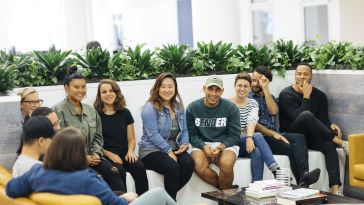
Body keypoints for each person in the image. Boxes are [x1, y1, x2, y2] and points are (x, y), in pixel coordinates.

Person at [6, 127, 177, 205]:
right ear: (79, 153)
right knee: (159, 194)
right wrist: (127, 197)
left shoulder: (36, 172)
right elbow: (115, 203)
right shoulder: (87, 179)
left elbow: (11, 189)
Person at [52, 66, 126, 192]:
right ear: (66, 88)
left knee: (115, 172)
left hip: (94, 158)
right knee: (94, 180)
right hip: (72, 162)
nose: (81, 90)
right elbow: (59, 143)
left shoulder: (91, 110)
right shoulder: (58, 110)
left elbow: (98, 136)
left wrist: (96, 153)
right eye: (76, 87)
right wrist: (82, 158)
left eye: (83, 87)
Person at [279, 63, 348, 194]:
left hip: (311, 135)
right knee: (306, 115)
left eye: (306, 74)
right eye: (299, 74)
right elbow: (298, 117)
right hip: (293, 134)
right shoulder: (286, 94)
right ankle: (340, 143)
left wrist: (330, 126)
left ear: (311, 76)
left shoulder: (320, 96)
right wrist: (306, 95)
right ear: (295, 75)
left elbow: (323, 119)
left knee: (328, 145)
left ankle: (335, 188)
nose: (302, 77)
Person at [250, 66, 311, 185]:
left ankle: (305, 175)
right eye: (253, 80)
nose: (255, 84)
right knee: (292, 149)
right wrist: (274, 134)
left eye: (259, 81)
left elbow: (273, 111)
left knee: (299, 137)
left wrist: (265, 89)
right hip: (262, 137)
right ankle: (303, 183)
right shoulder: (248, 98)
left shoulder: (269, 97)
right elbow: (253, 124)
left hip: (274, 134)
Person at [139, 73, 194, 200]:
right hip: (150, 150)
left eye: (170, 86)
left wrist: (185, 143)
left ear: (175, 89)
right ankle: (170, 201)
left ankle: (164, 200)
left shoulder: (178, 107)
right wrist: (168, 151)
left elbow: (184, 129)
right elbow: (152, 134)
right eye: (163, 86)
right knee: (172, 167)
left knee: (188, 163)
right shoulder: (150, 107)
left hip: (173, 147)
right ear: (157, 88)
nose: (167, 90)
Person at [94, 79, 148, 195]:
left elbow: (131, 138)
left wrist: (130, 151)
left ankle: (144, 201)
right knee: (120, 171)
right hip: (106, 155)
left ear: (116, 93)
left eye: (111, 91)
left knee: (139, 167)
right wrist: (108, 154)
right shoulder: (95, 115)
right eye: (104, 92)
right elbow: (95, 142)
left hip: (125, 153)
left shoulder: (125, 113)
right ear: (100, 96)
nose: (108, 94)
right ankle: (123, 201)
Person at [186, 75, 241, 189]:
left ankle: (224, 195)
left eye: (217, 90)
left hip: (225, 144)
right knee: (197, 165)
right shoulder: (192, 108)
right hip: (201, 144)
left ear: (222, 91)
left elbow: (235, 135)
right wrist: (203, 146)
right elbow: (191, 135)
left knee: (226, 164)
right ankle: (224, 190)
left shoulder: (231, 108)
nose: (213, 93)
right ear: (204, 88)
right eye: (210, 89)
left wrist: (222, 146)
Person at [231, 72, 280, 181]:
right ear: (235, 86)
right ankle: (276, 170)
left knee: (256, 151)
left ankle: (257, 185)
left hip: (245, 142)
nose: (242, 89)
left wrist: (248, 138)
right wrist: (249, 137)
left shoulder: (253, 103)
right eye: (239, 85)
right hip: (232, 141)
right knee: (257, 135)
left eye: (245, 86)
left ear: (250, 89)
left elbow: (252, 121)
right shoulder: (228, 104)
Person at [16, 87, 43, 155]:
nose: (37, 105)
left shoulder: (40, 120)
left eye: (38, 101)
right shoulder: (15, 124)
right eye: (32, 102)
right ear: (21, 104)